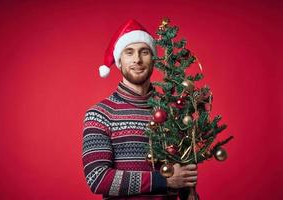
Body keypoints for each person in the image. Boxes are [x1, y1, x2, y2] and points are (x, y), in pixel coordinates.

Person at [82, 19, 198, 200]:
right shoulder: (100, 114)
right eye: (129, 52)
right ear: (119, 61)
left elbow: (184, 176)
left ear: (153, 60)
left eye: (144, 52)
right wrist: (164, 180)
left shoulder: (172, 111)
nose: (137, 59)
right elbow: (97, 178)